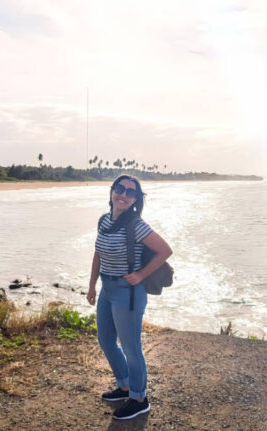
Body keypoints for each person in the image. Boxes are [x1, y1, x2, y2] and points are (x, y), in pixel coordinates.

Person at [86, 174, 173, 420]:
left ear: (135, 199)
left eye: (130, 192)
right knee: (105, 340)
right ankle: (123, 385)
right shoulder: (103, 220)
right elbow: (97, 254)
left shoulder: (136, 224)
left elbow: (165, 250)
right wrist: (92, 286)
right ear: (112, 191)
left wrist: (141, 274)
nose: (123, 194)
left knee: (131, 347)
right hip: (107, 289)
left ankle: (139, 398)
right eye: (120, 188)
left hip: (128, 294)